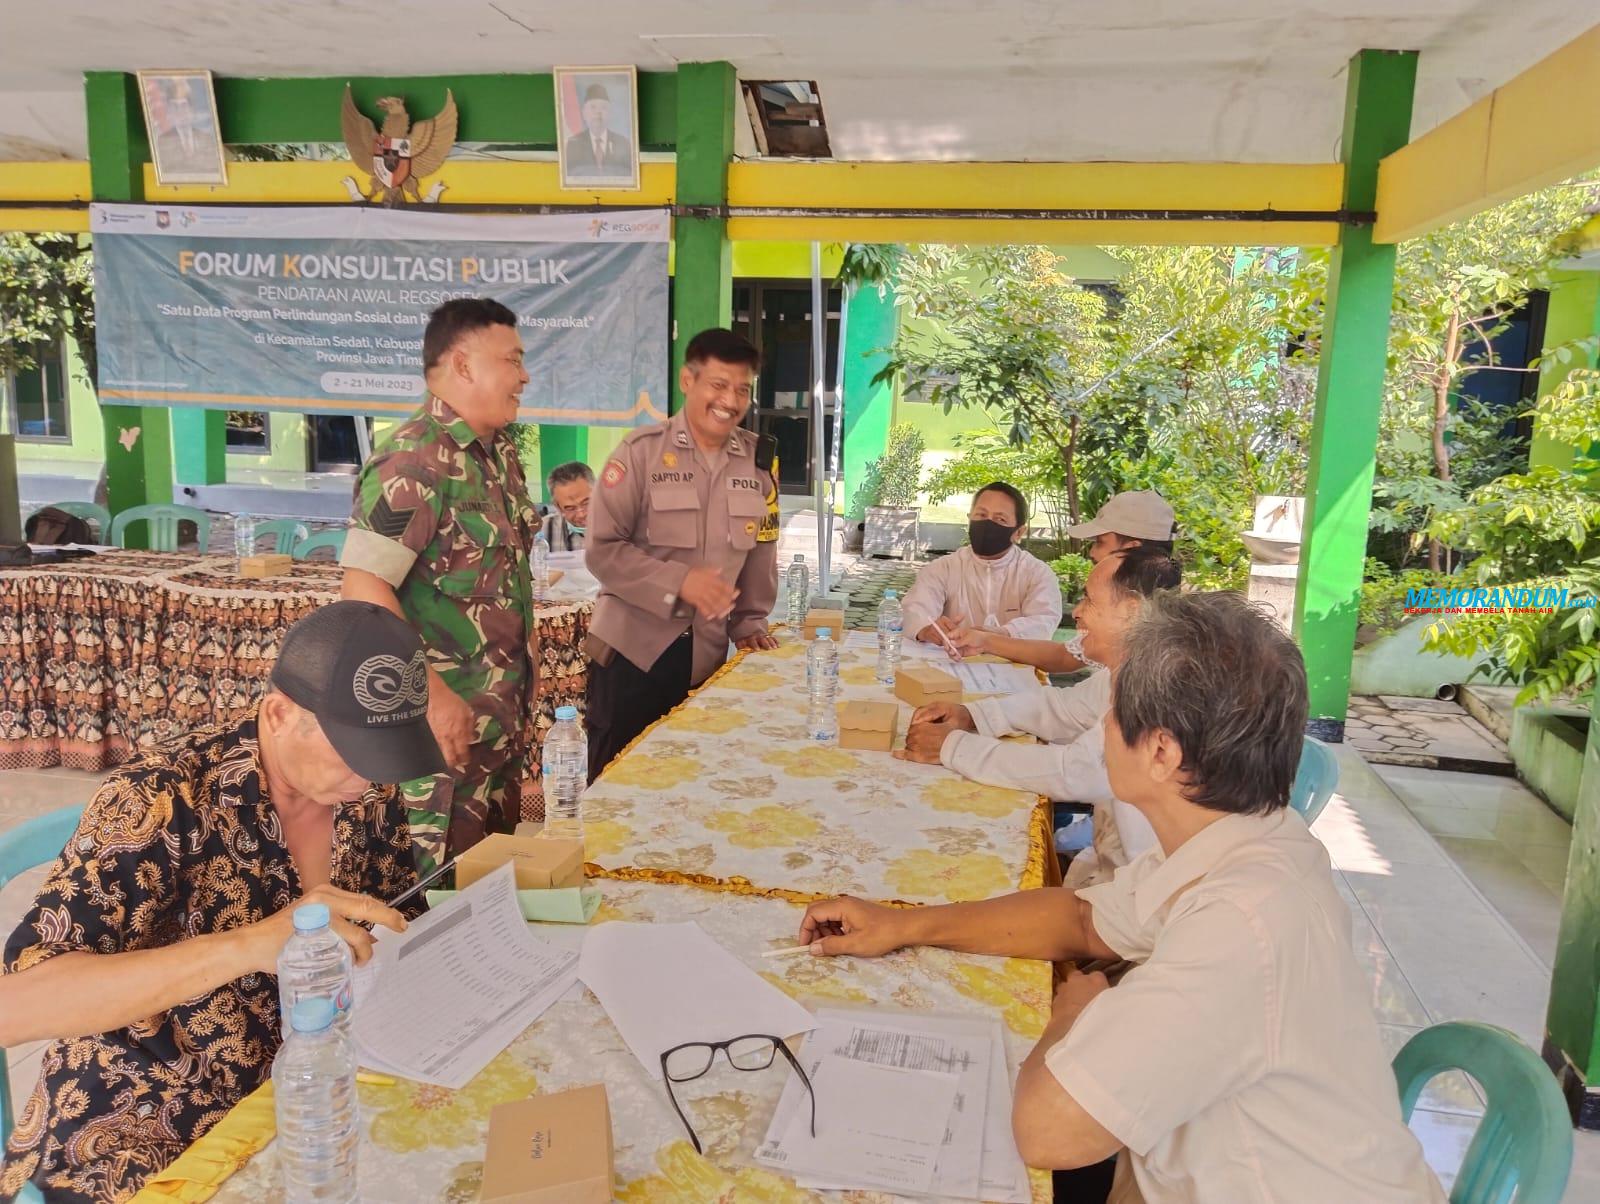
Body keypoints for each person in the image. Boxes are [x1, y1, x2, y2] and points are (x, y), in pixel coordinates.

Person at [797, 592, 1446, 1204]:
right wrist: (901, 925)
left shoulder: (1244, 922)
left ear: (1162, 751)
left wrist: (1076, 1015)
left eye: (1115, 712)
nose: (1101, 724)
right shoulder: (1240, 844)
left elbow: (1049, 1132)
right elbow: (1081, 918)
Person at [0, 602, 440, 1203]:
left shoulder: (365, 792)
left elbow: (391, 919)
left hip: (308, 1084)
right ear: (280, 713)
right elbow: (15, 1007)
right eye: (355, 753)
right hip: (146, 1110)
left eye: (383, 756)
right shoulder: (161, 798)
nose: (368, 780)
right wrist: (248, 945)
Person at [340, 297, 541, 874]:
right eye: (512, 360)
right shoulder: (413, 460)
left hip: (496, 724)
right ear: (463, 365)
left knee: (487, 884)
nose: (524, 376)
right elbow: (362, 590)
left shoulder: (497, 456)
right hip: (437, 734)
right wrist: (432, 694)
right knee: (432, 894)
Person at [901, 546, 1181, 885]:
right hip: (1114, 869)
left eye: (1090, 601)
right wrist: (972, 715)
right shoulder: (1130, 669)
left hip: (1145, 892)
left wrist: (952, 748)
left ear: (1132, 611)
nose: (1076, 612)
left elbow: (1074, 771)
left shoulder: (1159, 687)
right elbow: (1063, 709)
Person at [584, 327, 780, 779]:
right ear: (687, 381)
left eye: (742, 389)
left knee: (690, 784)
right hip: (634, 653)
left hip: (705, 660)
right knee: (618, 785)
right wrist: (679, 581)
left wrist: (749, 622)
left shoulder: (757, 460)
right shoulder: (640, 453)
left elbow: (760, 550)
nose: (730, 400)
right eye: (718, 384)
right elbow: (602, 550)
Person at [952, 487, 1176, 672]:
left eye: (1099, 542)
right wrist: (985, 641)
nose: (1092, 553)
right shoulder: (1133, 619)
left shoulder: (1161, 655)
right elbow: (1064, 657)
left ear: (1130, 549)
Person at [900, 481, 1062, 648]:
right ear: (969, 519)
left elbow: (1043, 622)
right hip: (952, 664)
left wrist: (1002, 634)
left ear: (1019, 532)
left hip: (1013, 667)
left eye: (1000, 519)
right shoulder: (943, 568)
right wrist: (926, 630)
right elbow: (914, 611)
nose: (988, 525)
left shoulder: (1036, 573)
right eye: (981, 515)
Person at [564, 82, 633, 177]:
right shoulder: (573, 144)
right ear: (584, 113)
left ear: (610, 113)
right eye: (593, 107)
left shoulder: (623, 143)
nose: (598, 112)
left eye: (603, 107)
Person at [541, 460, 593, 551]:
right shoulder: (544, 530)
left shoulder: (623, 525)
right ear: (558, 507)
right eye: (570, 508)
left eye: (586, 503)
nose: (581, 514)